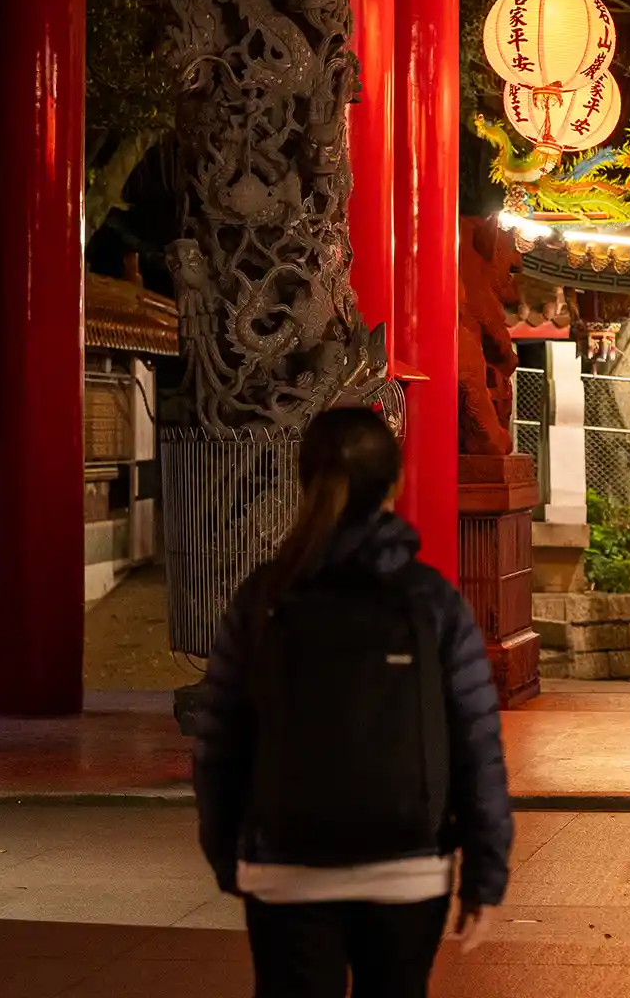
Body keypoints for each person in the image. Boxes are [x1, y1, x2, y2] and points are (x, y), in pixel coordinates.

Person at [193, 407, 512, 998]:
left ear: (303, 479)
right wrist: (485, 876)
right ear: (396, 484)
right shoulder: (430, 601)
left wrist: (226, 852)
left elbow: (219, 740)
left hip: (285, 864)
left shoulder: (265, 596)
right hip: (408, 868)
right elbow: (476, 744)